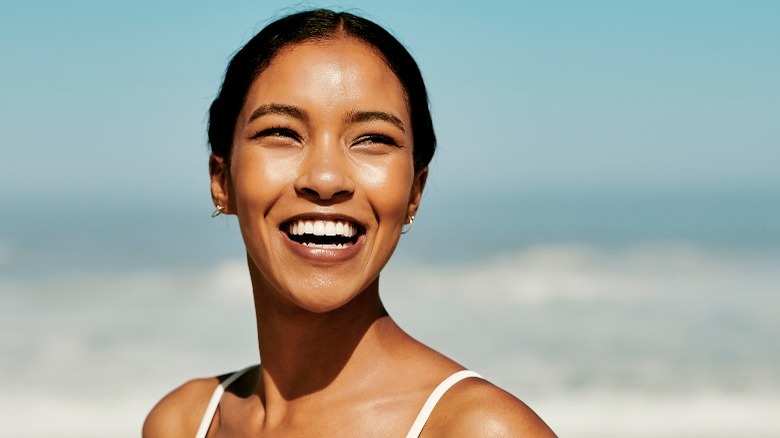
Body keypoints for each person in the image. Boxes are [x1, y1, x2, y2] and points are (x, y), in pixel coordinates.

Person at [143, 9, 555, 437]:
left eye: (373, 139)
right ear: (221, 180)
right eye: (282, 132)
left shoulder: (477, 430)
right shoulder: (183, 422)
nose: (325, 179)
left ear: (415, 189)